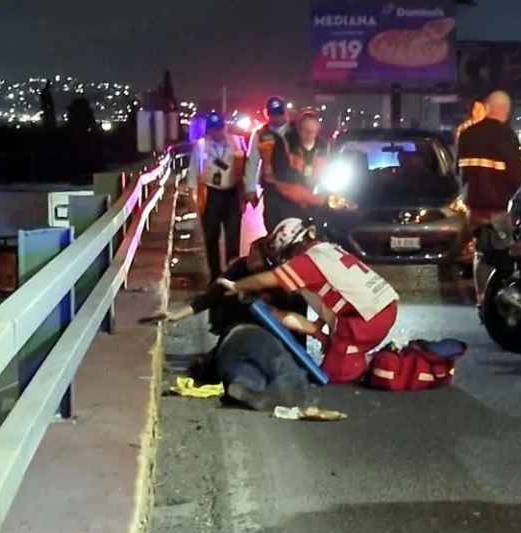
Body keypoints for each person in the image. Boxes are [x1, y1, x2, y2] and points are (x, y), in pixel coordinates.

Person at [140, 237, 309, 410]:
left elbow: (208, 298)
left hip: (234, 341)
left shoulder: (272, 280)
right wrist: (174, 315)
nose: (249, 258)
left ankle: (244, 386)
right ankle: (288, 391)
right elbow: (209, 297)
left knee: (241, 368)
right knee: (279, 364)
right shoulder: (244, 272)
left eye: (255, 256)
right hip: (252, 336)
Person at [228, 218, 399, 384]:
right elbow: (338, 294)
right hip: (380, 307)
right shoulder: (328, 250)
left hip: (367, 319)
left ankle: (374, 361)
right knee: (333, 352)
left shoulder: (307, 262)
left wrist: (237, 286)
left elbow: (267, 279)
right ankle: (357, 354)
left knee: (332, 376)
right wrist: (319, 332)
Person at [456, 90, 521, 310]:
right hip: (499, 207)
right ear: (505, 111)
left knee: (481, 252)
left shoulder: (467, 134)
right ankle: (505, 298)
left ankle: (481, 297)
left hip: (473, 207)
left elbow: (458, 172)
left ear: (487, 108)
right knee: (507, 252)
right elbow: (516, 176)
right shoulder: (506, 135)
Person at [187, 112, 246, 282]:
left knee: (233, 236)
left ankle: (231, 275)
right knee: (211, 236)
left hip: (231, 193)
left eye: (218, 129)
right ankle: (214, 274)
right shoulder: (200, 145)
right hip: (210, 193)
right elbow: (193, 170)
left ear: (224, 127)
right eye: (212, 130)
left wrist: (247, 192)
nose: (216, 133)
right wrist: (192, 196)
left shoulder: (237, 141)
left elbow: (246, 166)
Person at [244, 96, 296, 231]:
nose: (276, 117)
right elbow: (252, 161)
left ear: (285, 112)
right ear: (267, 114)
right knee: (272, 223)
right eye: (273, 114)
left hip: (295, 185)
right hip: (272, 187)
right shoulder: (260, 134)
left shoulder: (296, 131)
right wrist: (250, 189)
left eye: (279, 113)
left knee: (294, 225)